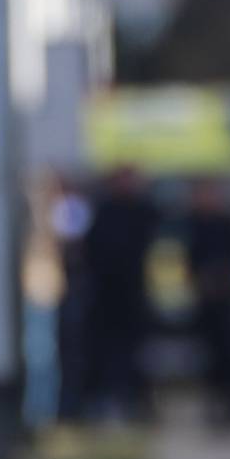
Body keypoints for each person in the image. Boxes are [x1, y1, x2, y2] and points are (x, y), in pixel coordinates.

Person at [82, 166, 159, 422]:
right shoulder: (104, 212)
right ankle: (112, 401)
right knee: (109, 353)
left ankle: (135, 401)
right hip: (107, 297)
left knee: (136, 353)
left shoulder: (143, 211)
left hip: (134, 295)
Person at [183, 177, 230, 426]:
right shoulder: (194, 224)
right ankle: (217, 404)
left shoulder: (228, 223)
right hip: (206, 299)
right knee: (210, 354)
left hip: (227, 297)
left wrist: (224, 278)